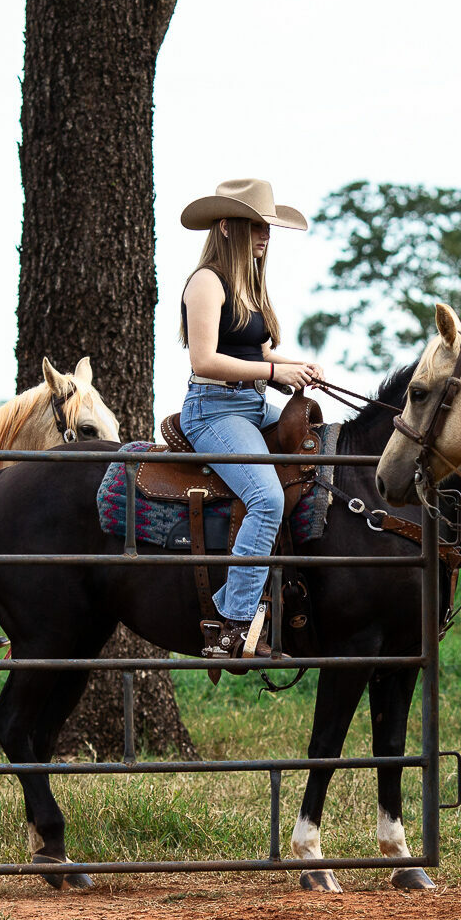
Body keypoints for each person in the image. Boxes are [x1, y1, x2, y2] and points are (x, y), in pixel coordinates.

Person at [177, 179, 321, 660]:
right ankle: (232, 627)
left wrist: (297, 370)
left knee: (323, 456)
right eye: (257, 226)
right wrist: (276, 372)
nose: (266, 235)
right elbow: (205, 360)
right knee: (266, 498)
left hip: (254, 405)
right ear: (226, 227)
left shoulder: (249, 284)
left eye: (268, 227)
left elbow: (257, 355)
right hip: (213, 410)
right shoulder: (206, 281)